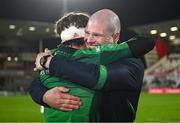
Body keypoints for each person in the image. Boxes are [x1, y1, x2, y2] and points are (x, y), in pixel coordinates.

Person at [29, 9, 155, 122]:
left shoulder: (130, 63)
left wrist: (48, 62)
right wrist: (44, 96)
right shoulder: (82, 57)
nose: (88, 40)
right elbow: (38, 82)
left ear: (115, 37)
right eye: (87, 33)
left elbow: (94, 76)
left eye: (96, 35)